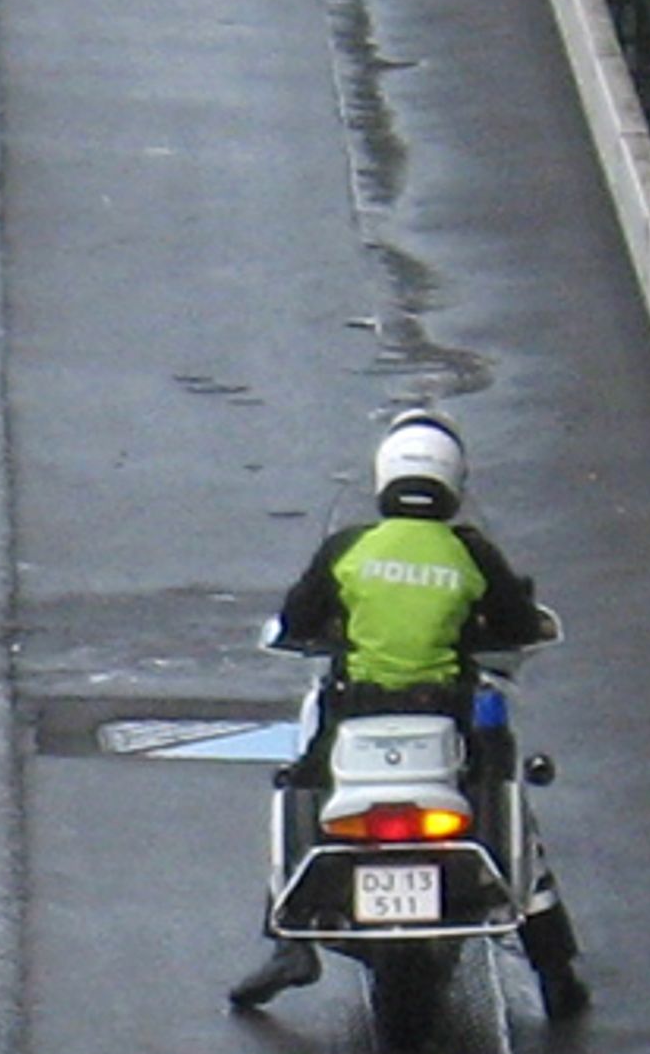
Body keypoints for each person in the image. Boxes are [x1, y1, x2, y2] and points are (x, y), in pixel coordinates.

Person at [231, 410, 585, 1015]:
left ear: (384, 475)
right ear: (454, 479)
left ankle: (287, 942)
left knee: (301, 787)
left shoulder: (350, 548)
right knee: (503, 792)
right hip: (447, 712)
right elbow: (518, 624)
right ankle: (553, 971)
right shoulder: (470, 553)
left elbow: (296, 620)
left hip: (355, 711)